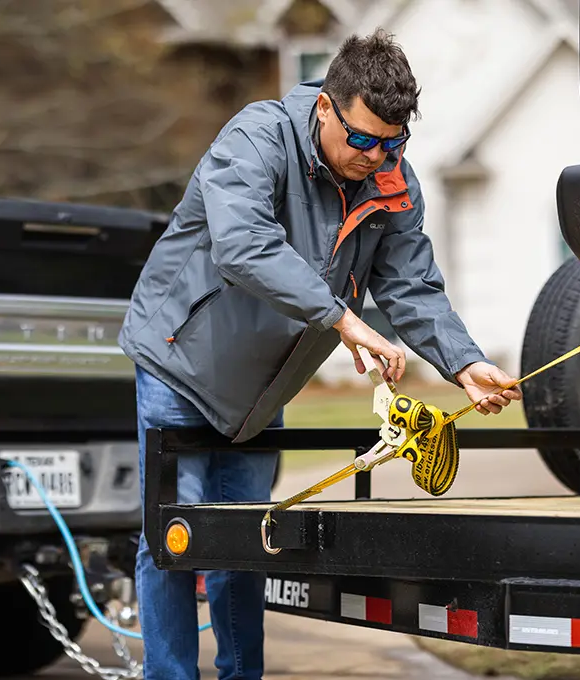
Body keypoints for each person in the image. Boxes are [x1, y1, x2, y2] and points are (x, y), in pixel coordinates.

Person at [118, 28, 523, 680]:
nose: (375, 156)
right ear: (326, 109)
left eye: (393, 143)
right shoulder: (257, 138)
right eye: (362, 139)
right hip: (179, 365)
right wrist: (342, 318)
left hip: (262, 389)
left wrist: (463, 362)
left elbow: (412, 285)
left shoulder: (391, 178)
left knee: (249, 542)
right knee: (178, 536)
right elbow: (243, 243)